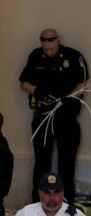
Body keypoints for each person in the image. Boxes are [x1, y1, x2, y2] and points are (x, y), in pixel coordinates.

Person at [18, 28, 88, 203]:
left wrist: (68, 97)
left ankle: (66, 205)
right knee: (41, 162)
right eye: (45, 49)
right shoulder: (35, 56)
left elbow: (83, 83)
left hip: (66, 117)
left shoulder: (72, 56)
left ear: (58, 41)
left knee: (67, 163)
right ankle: (36, 204)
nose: (48, 52)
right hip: (43, 117)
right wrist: (37, 90)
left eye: (51, 48)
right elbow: (23, 83)